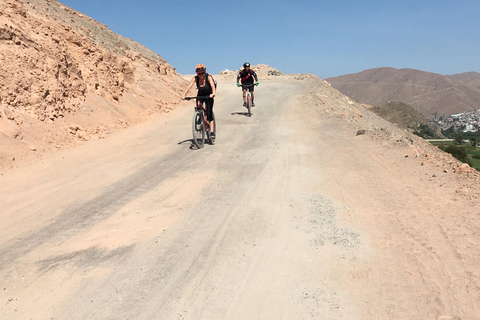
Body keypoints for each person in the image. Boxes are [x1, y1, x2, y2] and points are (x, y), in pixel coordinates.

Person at [182, 64, 216, 139]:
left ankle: (212, 132)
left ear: (205, 72)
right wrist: (184, 95)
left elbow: (213, 86)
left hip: (208, 95)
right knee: (198, 106)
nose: (201, 75)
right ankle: (200, 115)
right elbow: (189, 86)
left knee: (209, 113)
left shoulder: (208, 77)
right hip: (200, 94)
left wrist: (213, 93)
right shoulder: (195, 78)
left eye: (202, 73)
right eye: (199, 73)